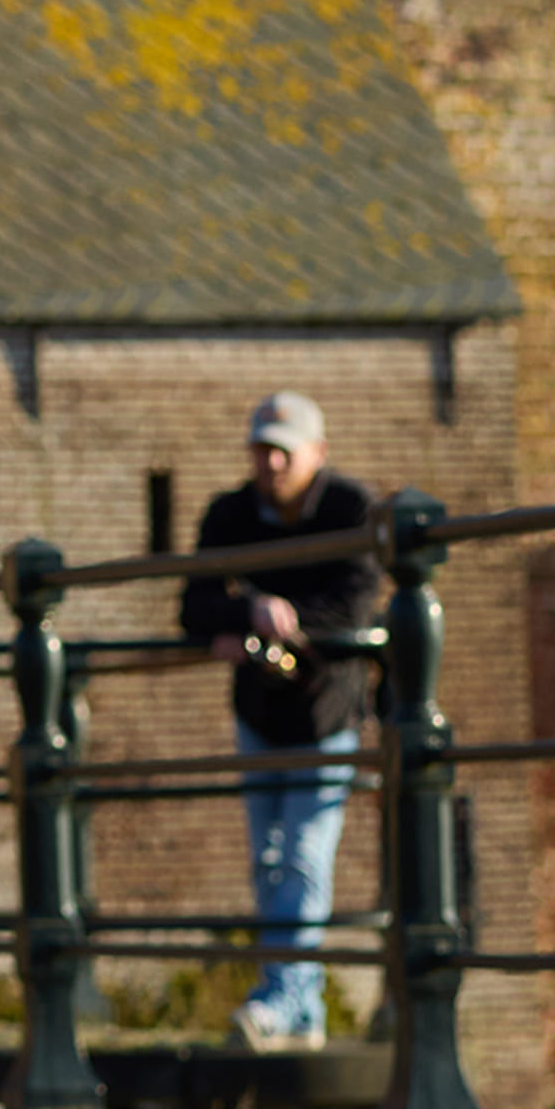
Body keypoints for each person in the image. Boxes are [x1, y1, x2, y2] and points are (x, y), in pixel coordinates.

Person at [177, 393, 379, 1051]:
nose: (270, 461)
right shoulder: (230, 513)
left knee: (304, 854)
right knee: (269, 859)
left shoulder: (351, 510)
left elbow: (354, 604)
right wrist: (249, 617)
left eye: (283, 449)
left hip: (325, 712)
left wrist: (282, 614)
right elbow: (195, 604)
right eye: (261, 448)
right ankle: (303, 1012)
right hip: (260, 711)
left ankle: (276, 1000)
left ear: (317, 454)